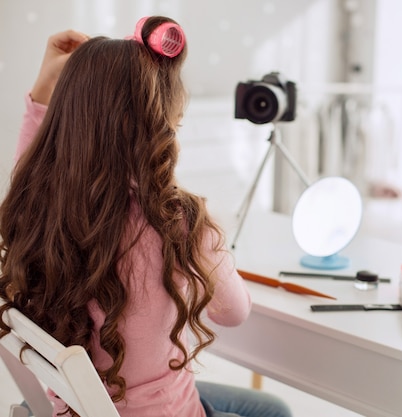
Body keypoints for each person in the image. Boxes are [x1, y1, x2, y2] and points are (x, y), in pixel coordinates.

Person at [0, 16, 292, 417]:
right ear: (160, 128)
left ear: (66, 121)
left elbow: (29, 166)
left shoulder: (36, 207)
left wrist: (43, 89)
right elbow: (235, 312)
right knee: (274, 410)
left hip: (83, 407)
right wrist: (207, 237)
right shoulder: (178, 222)